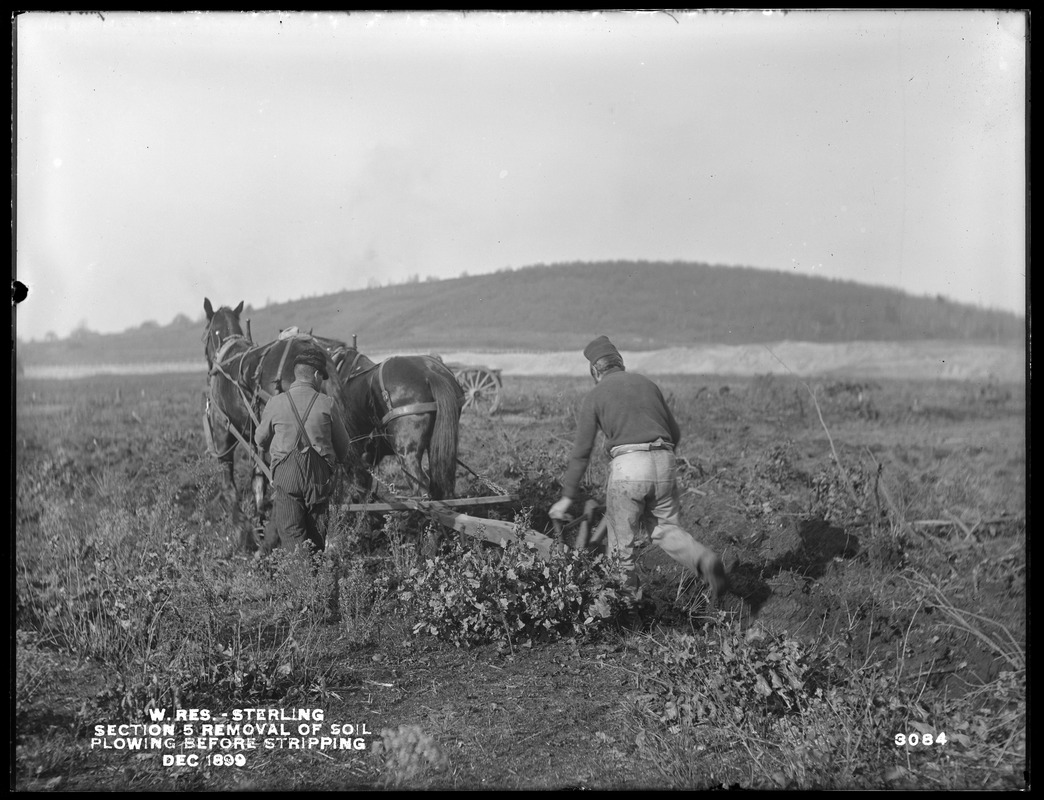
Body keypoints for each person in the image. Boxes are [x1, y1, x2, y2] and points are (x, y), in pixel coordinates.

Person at [549, 335, 727, 605]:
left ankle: (628, 613)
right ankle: (705, 560)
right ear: (620, 363)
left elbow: (581, 452)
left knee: (621, 548)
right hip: (665, 460)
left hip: (629, 467)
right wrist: (658, 461)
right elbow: (674, 433)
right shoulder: (648, 384)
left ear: (595, 370)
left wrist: (566, 498)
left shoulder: (596, 395)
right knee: (665, 528)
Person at [254, 345, 352, 555]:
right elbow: (344, 449)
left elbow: (260, 440)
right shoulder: (327, 404)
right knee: (316, 538)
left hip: (286, 477)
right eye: (321, 377)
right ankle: (315, 580)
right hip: (318, 479)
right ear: (316, 375)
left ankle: (302, 582)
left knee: (291, 537)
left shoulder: (275, 403)